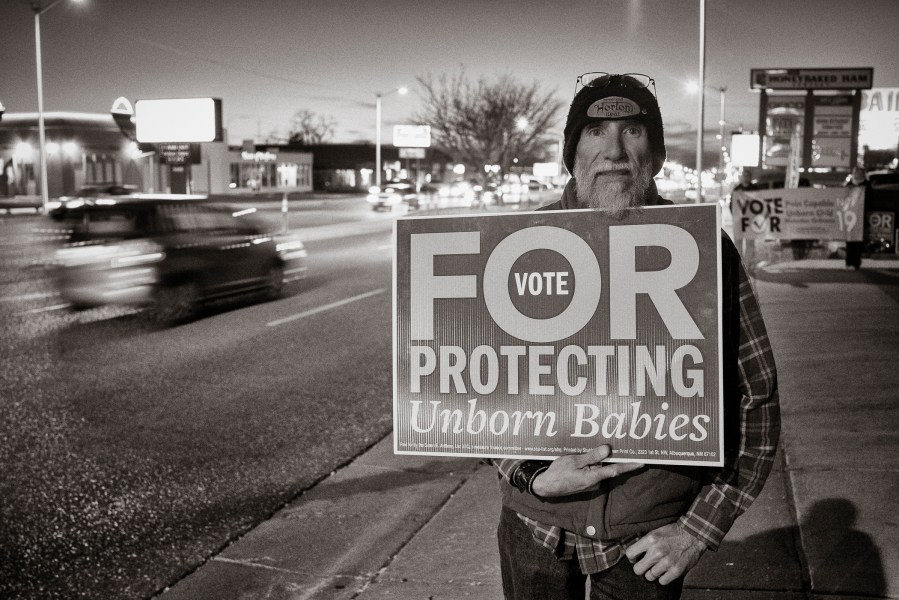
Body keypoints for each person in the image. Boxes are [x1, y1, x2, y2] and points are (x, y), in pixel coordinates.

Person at [493, 73, 780, 599]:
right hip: (534, 532)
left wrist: (700, 529)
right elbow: (465, 392)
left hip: (644, 545)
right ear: (572, 151)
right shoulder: (520, 243)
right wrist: (529, 473)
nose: (615, 150)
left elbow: (756, 396)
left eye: (633, 131)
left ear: (657, 152)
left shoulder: (701, 249)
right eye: (596, 132)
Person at [843, 166, 867, 269]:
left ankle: (856, 262)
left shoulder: (866, 185)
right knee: (850, 239)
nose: (856, 174)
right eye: (855, 172)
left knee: (858, 240)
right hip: (850, 216)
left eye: (858, 172)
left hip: (860, 216)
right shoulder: (849, 185)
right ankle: (849, 262)